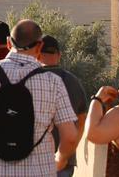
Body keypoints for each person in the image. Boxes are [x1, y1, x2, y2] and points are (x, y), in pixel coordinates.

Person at [0, 19, 79, 176]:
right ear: (40, 46)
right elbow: (71, 136)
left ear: (8, 43)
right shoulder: (53, 82)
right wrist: (60, 158)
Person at [38, 36, 87, 177]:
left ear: (37, 54)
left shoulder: (30, 80)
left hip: (36, 160)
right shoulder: (73, 81)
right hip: (65, 159)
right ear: (59, 55)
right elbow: (82, 120)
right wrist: (71, 149)